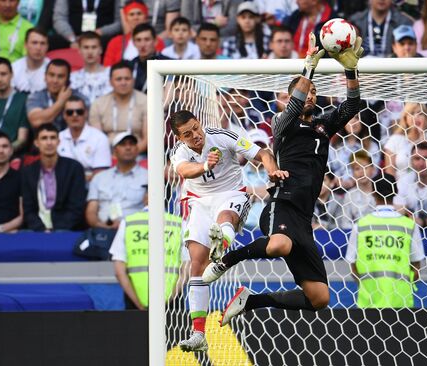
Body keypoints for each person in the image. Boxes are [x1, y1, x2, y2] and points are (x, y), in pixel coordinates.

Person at [202, 33, 363, 327]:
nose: (311, 95)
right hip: (282, 203)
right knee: (279, 245)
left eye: (315, 92)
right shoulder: (283, 123)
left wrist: (350, 70)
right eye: (306, 91)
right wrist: (308, 68)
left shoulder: (323, 127)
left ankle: (251, 300)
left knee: (319, 298)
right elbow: (294, 103)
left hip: (303, 217)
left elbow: (352, 106)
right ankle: (227, 260)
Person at [168, 109, 286, 352]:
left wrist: (271, 169)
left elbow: (261, 152)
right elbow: (183, 172)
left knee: (225, 218)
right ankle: (198, 333)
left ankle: (221, 243)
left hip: (232, 194)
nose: (196, 135)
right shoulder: (180, 152)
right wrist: (204, 165)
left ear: (200, 123)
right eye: (188, 134)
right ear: (180, 138)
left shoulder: (221, 137)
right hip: (198, 201)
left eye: (196, 128)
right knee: (197, 266)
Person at [345, 173, 425, 308]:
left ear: (373, 192)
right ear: (396, 191)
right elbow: (416, 269)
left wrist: (368, 285)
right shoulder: (409, 225)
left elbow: (353, 268)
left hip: (368, 303)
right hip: (401, 302)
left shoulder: (361, 225)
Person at [109, 190, 184, 310]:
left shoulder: (129, 222)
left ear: (144, 198)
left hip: (135, 299)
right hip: (172, 303)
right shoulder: (179, 224)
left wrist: (138, 304)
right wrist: (170, 299)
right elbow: (187, 268)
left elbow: (119, 270)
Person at [22, 123, 86, 231]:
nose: (49, 142)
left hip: (66, 228)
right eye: (44, 138)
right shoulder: (28, 171)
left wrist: (56, 229)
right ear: (36, 143)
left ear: (59, 141)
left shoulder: (74, 168)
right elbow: (28, 209)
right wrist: (41, 229)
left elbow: (76, 207)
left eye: (53, 138)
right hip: (37, 228)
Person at [86, 132, 147, 230]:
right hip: (104, 231)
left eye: (132, 144)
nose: (128, 148)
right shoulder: (99, 178)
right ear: (114, 151)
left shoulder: (149, 177)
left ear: (137, 149)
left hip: (136, 231)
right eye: (123, 144)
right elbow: (91, 211)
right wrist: (103, 227)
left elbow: (153, 210)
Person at [89, 61, 148, 153]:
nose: (123, 83)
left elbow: (148, 139)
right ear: (110, 82)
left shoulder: (146, 101)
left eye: (127, 78)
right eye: (119, 79)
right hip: (107, 155)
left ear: (133, 80)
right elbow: (97, 138)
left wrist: (129, 156)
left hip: (138, 155)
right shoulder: (98, 104)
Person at [57, 96, 111, 182]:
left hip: (91, 189)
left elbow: (101, 174)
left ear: (86, 113)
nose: (75, 115)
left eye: (79, 112)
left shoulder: (99, 138)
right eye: (70, 112)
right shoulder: (57, 138)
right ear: (64, 115)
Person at [26, 58, 88, 130]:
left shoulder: (80, 98)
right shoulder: (36, 97)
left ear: (68, 80)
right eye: (51, 75)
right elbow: (36, 121)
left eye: (60, 76)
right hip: (45, 140)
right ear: (45, 77)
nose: (55, 81)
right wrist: (60, 102)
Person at [383, 102, 427, 179]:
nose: (416, 117)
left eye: (420, 113)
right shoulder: (395, 139)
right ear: (405, 118)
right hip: (401, 185)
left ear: (426, 117)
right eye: (412, 113)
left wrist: (422, 134)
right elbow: (390, 172)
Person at [103, 0, 164, 66]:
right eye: (131, 14)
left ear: (146, 17)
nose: (135, 17)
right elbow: (108, 67)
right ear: (126, 18)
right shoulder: (115, 42)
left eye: (139, 13)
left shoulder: (156, 42)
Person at [52, 0, 120, 49]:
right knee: (51, 41)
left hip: (102, 37)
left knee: (113, 43)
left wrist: (101, 32)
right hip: (72, 37)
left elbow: (120, 22)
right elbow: (59, 18)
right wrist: (72, 39)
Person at [70, 31, 112, 104]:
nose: (90, 52)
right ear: (79, 50)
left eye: (94, 47)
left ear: (101, 50)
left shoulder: (112, 74)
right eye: (86, 47)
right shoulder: (72, 78)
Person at [339, 150, 377, 229]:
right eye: (357, 169)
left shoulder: (380, 192)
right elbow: (345, 223)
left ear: (372, 169)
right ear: (352, 172)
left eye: (365, 167)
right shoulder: (349, 195)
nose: (361, 172)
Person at [130, 23, 171, 93]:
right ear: (133, 43)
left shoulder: (169, 64)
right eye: (138, 40)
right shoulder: (130, 65)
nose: (142, 45)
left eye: (147, 39)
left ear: (155, 41)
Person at [11, 27, 50, 93]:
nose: (38, 48)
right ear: (25, 45)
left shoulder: (54, 69)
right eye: (34, 43)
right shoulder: (13, 68)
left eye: (42, 43)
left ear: (47, 47)